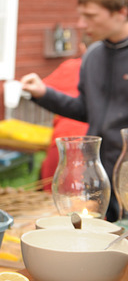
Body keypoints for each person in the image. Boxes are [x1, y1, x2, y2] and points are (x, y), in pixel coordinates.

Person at [21, 0, 128, 221]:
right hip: (97, 178)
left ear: (121, 12)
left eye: (90, 16)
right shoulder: (93, 56)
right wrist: (44, 94)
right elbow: (86, 110)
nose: (81, 23)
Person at [38, 43, 90, 191]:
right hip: (94, 142)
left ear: (81, 47)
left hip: (64, 141)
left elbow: (41, 88)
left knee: (54, 197)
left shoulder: (71, 66)